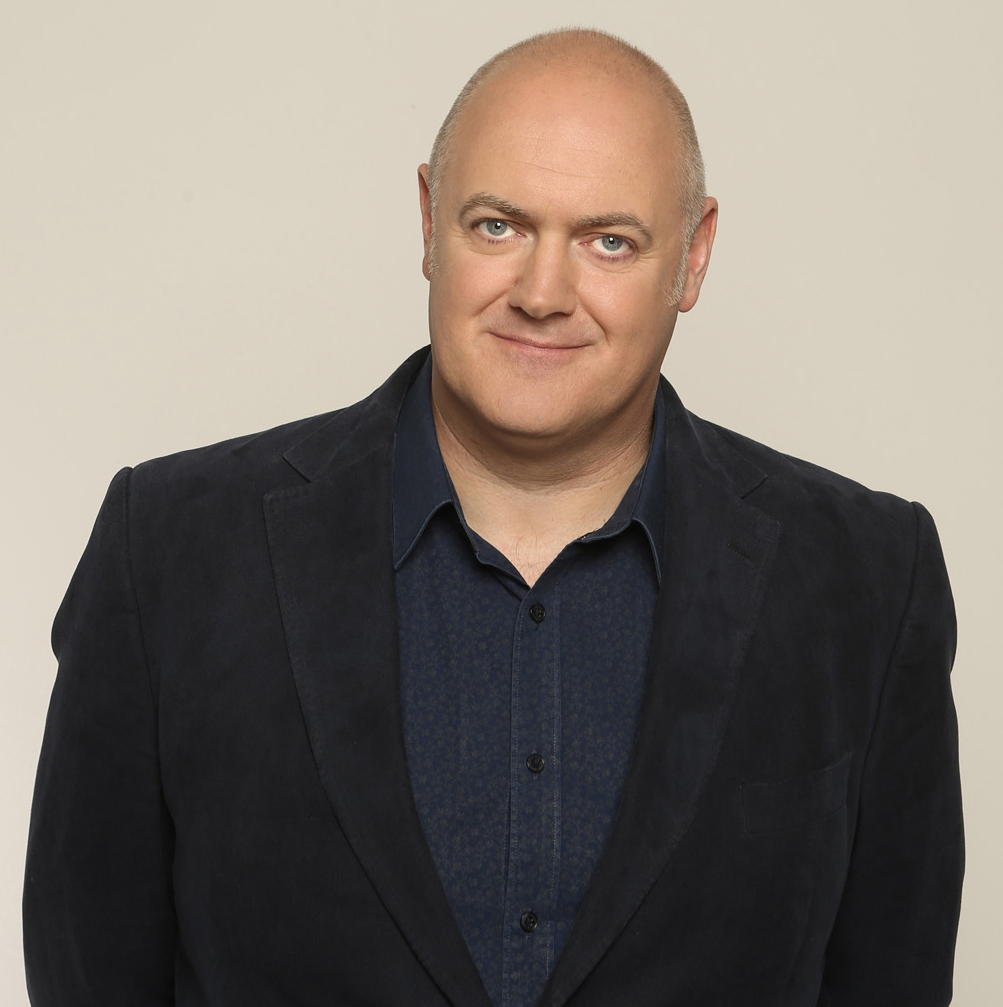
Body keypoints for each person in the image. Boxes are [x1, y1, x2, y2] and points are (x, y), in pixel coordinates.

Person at [24, 27, 963, 1007]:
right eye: (498, 226)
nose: (542, 294)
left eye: (608, 240)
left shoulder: (866, 581)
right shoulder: (168, 551)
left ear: (692, 257)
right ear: (430, 221)